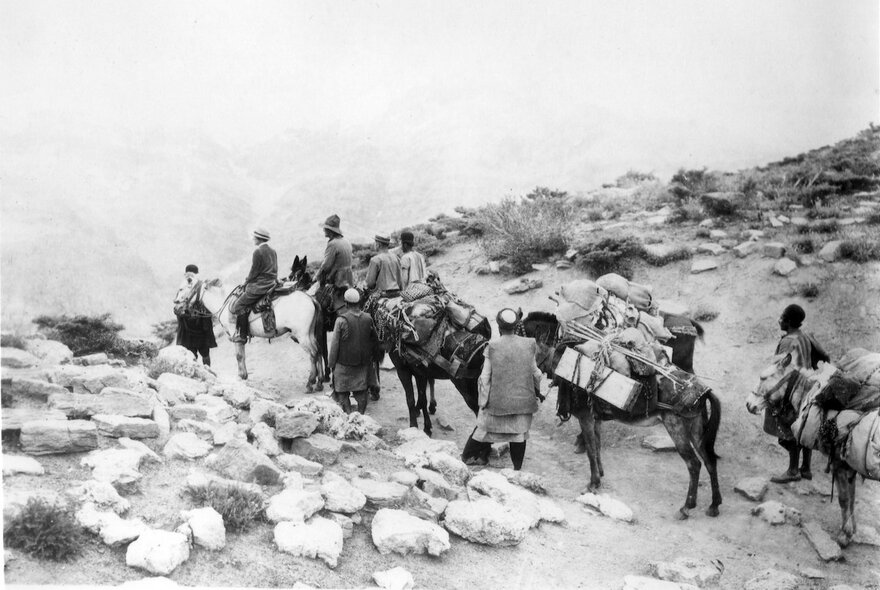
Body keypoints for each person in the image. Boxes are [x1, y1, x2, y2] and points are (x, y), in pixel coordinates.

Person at [461, 308, 543, 470]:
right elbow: (537, 374)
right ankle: (517, 469)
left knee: (482, 430)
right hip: (523, 405)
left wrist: (483, 402)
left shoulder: (492, 346)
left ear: (499, 327)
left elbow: (484, 378)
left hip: (497, 406)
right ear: (515, 326)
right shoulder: (529, 344)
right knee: (519, 435)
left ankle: (466, 458)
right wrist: (535, 393)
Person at [765, 303, 830, 483]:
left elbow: (780, 369)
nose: (779, 320)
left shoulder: (787, 341)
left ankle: (793, 470)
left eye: (782, 318)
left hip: (793, 391)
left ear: (789, 322)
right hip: (809, 387)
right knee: (803, 426)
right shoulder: (805, 336)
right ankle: (806, 468)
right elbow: (825, 356)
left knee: (788, 429)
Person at [328, 288, 379, 414]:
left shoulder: (341, 320)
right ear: (359, 302)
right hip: (362, 366)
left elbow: (334, 346)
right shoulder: (368, 318)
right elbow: (375, 341)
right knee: (361, 394)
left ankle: (348, 414)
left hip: (344, 366)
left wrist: (331, 365)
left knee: (341, 393)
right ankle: (360, 415)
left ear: (346, 303)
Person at [229, 229, 278, 342]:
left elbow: (254, 271)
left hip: (259, 286)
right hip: (271, 284)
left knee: (238, 306)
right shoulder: (273, 251)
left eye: (254, 238)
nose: (253, 239)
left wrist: (245, 282)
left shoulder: (258, 252)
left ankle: (242, 335)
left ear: (259, 239)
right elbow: (275, 269)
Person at [173, 264, 217, 365]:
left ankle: (206, 373)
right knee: (196, 354)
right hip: (191, 326)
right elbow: (177, 305)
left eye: (191, 274)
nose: (189, 277)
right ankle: (203, 372)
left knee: (202, 353)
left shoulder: (200, 286)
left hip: (197, 326)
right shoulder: (185, 286)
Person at [316, 214, 354, 312]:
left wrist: (317, 277)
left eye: (325, 228)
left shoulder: (332, 244)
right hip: (349, 281)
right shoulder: (346, 241)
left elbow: (326, 266)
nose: (324, 230)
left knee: (317, 302)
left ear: (330, 231)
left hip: (337, 282)